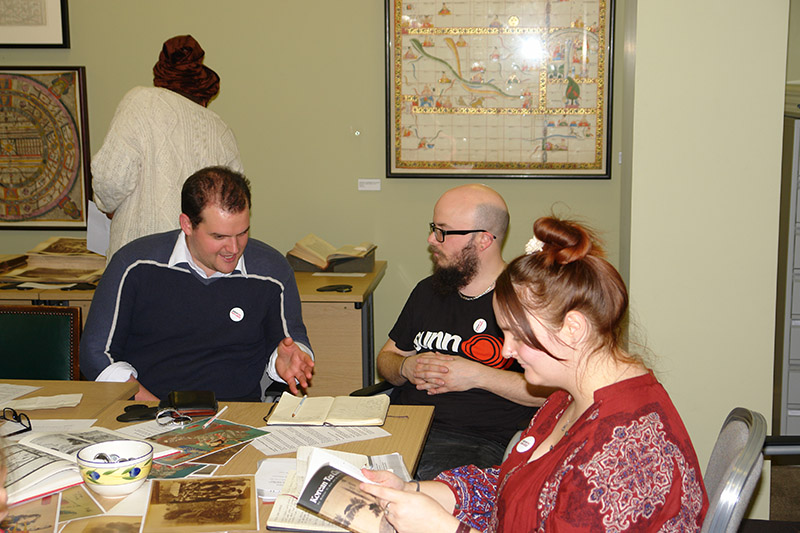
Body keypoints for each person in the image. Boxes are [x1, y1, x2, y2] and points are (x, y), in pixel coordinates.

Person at [361, 216, 709, 532]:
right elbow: (515, 487)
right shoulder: (568, 398)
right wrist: (416, 491)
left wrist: (443, 528)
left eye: (516, 335)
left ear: (572, 328)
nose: (506, 351)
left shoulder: (624, 454)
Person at [80, 166, 313, 402]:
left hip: (237, 413)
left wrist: (289, 361)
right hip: (148, 407)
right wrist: (156, 408)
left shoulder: (271, 271)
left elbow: (291, 340)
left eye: (242, 233)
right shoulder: (134, 265)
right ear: (187, 225)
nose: (234, 249)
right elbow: (96, 354)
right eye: (219, 237)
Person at [377, 184, 549, 480]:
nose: (432, 239)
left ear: (483, 239)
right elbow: (386, 359)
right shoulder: (428, 291)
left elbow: (553, 394)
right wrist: (406, 367)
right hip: (405, 424)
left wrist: (477, 376)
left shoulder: (526, 299)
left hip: (476, 440)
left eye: (443, 231)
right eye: (434, 228)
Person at [92, 34, 243, 260]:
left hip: (140, 260)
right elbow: (234, 205)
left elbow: (109, 181)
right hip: (203, 265)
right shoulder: (221, 130)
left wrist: (106, 204)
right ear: (203, 95)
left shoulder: (140, 102)